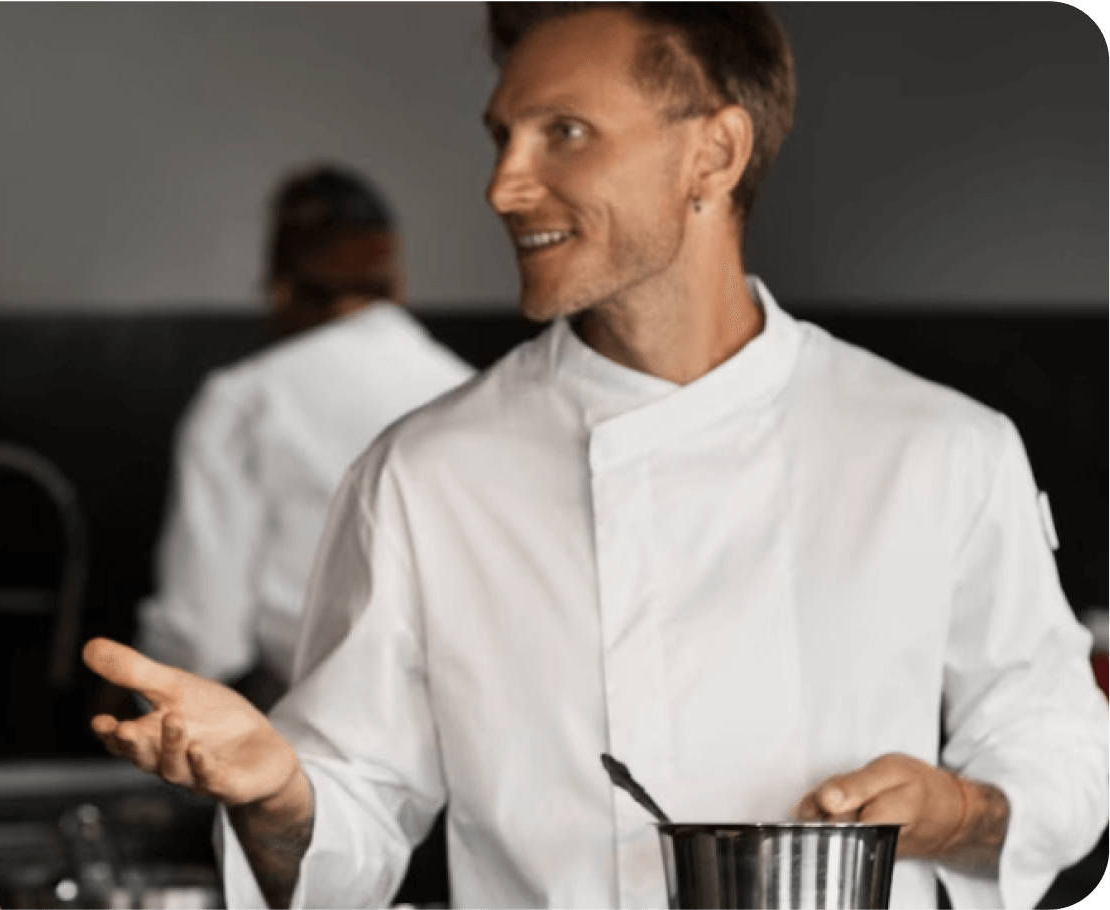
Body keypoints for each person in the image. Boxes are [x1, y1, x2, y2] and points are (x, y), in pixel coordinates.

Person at [83, 4, 1110, 909]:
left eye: (563, 133)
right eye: (503, 136)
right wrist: (279, 793)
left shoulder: (941, 447)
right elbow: (349, 826)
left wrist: (958, 810)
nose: (502, 185)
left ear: (714, 154)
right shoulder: (423, 475)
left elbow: (1063, 746)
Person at [135, 165, 472, 706]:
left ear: (282, 286)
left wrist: (137, 694)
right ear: (397, 277)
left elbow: (204, 639)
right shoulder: (470, 392)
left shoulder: (246, 400)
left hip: (310, 723)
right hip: (462, 721)